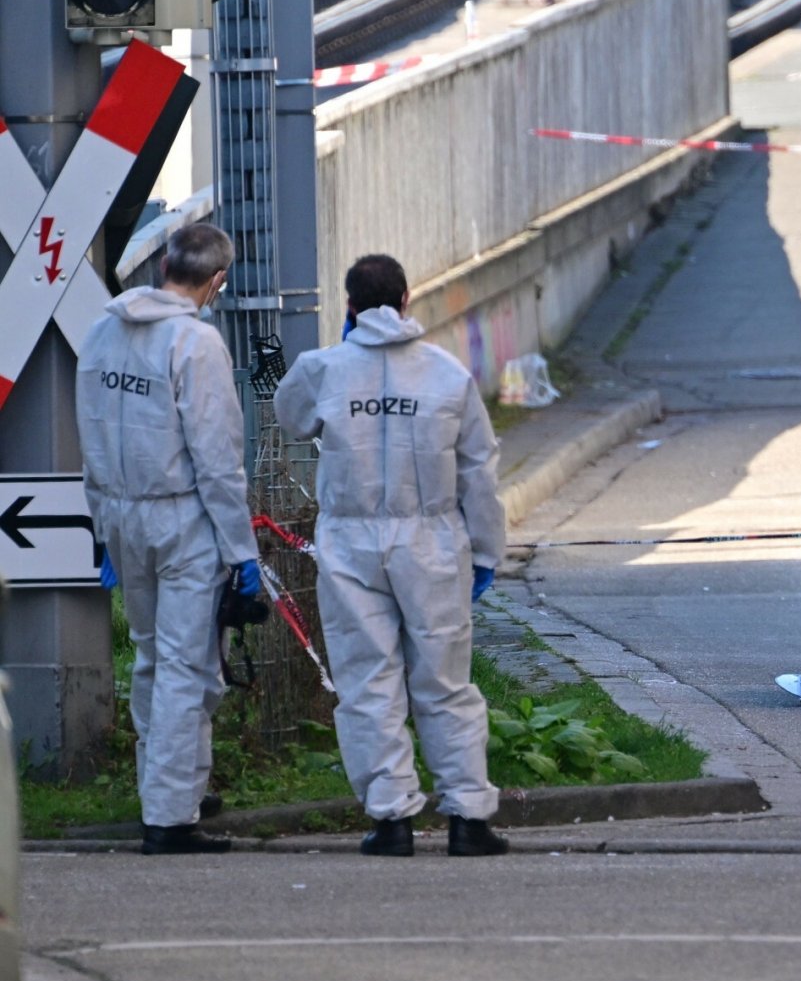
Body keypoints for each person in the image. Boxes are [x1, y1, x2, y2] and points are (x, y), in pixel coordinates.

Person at [273, 254, 508, 857]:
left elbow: (290, 416)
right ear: (407, 299)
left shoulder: (323, 369)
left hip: (350, 541)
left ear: (348, 305)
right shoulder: (446, 375)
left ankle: (391, 818)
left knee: (367, 680)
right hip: (431, 540)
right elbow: (479, 469)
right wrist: (486, 551)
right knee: (445, 681)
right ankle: (469, 818)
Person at [75, 222, 262, 855]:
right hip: (182, 521)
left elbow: (92, 433)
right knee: (189, 667)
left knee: (155, 657)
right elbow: (217, 458)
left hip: (123, 518)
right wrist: (242, 554)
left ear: (163, 268)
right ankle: (171, 818)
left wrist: (102, 526)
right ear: (216, 281)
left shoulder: (103, 330)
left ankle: (172, 785)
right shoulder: (195, 343)